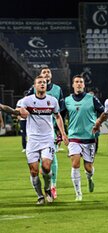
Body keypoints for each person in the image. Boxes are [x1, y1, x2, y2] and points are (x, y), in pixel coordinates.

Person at [18, 75, 68, 204]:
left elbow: (58, 116)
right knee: (34, 170)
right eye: (39, 82)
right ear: (35, 86)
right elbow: (21, 114)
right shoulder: (27, 101)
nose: (42, 84)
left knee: (46, 167)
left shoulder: (52, 101)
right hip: (33, 140)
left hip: (47, 139)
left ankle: (47, 189)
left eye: (44, 83)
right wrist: (20, 114)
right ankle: (40, 195)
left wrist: (62, 133)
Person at [65, 75, 104, 201]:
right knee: (75, 163)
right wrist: (61, 134)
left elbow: (103, 112)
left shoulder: (91, 98)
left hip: (89, 137)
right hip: (74, 137)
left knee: (88, 167)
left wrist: (98, 122)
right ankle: (78, 194)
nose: (79, 84)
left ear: (84, 84)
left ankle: (89, 178)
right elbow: (59, 116)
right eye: (76, 82)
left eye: (81, 82)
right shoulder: (67, 100)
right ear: (73, 85)